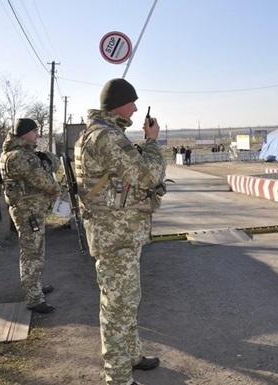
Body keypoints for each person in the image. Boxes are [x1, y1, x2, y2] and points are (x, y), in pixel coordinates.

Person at [74, 78, 167, 385]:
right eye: (132, 102)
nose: (137, 108)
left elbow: (123, 172)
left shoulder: (97, 134)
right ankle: (118, 378)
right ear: (119, 105)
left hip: (116, 234)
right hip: (116, 238)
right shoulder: (107, 137)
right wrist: (152, 141)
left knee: (127, 301)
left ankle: (131, 355)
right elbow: (148, 174)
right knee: (117, 309)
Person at [0, 118, 61, 313]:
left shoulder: (20, 153)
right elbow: (45, 180)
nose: (37, 135)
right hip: (28, 212)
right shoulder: (19, 156)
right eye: (34, 131)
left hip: (30, 210)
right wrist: (55, 188)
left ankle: (34, 285)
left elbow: (53, 164)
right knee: (32, 254)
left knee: (36, 251)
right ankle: (34, 298)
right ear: (24, 133)